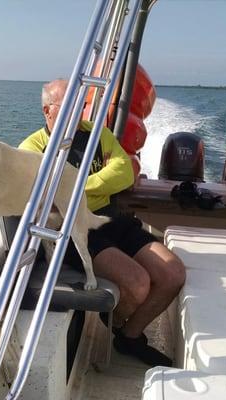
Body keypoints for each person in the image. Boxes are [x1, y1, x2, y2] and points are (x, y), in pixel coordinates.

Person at [19, 79, 186, 367]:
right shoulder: (33, 147)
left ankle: (127, 335)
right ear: (47, 111)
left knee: (173, 274)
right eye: (67, 105)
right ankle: (117, 321)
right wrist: (97, 186)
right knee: (138, 284)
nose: (77, 112)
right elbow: (47, 195)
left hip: (113, 220)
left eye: (80, 105)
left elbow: (124, 173)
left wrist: (79, 186)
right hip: (75, 231)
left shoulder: (98, 134)